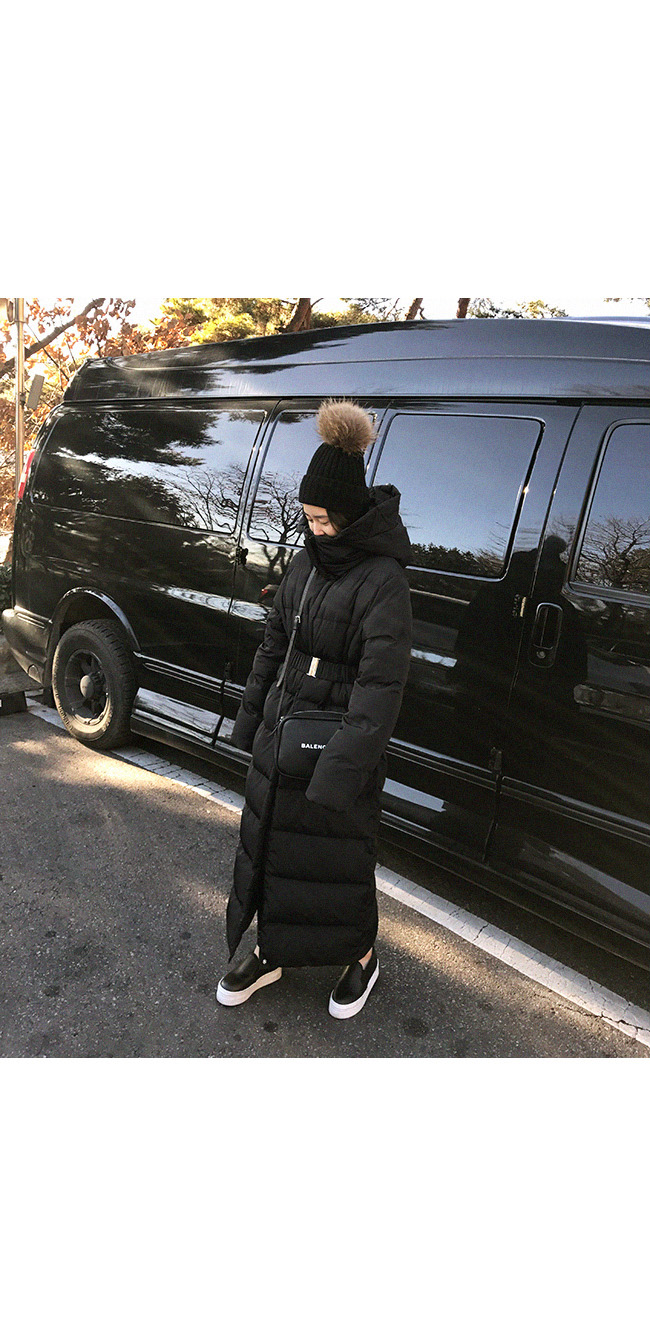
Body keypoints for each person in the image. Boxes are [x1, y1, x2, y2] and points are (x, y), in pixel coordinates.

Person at [217, 399, 413, 1019]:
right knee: (273, 847)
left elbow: (380, 689)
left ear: (349, 515)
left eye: (323, 520)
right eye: (308, 517)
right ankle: (270, 949)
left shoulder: (384, 580)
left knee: (338, 859)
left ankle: (361, 955)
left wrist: (340, 770)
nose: (314, 529)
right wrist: (249, 720)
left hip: (334, 746)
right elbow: (273, 645)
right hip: (282, 733)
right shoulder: (305, 564)